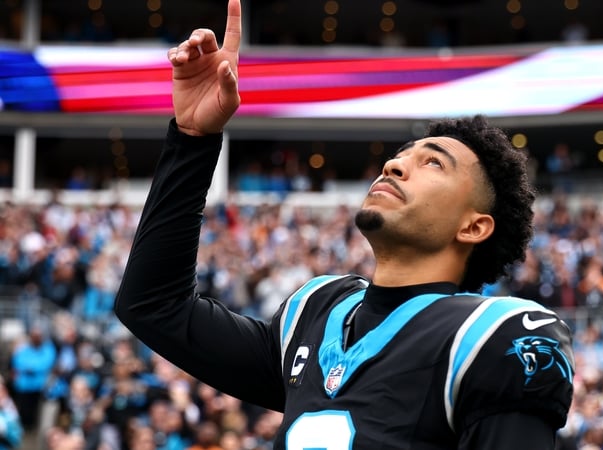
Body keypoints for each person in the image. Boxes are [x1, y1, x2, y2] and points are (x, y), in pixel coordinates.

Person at [113, 0, 575, 448]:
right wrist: (193, 141)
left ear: (474, 227)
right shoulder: (314, 313)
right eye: (398, 157)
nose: (393, 167)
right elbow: (153, 307)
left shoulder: (497, 337)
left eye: (433, 163)